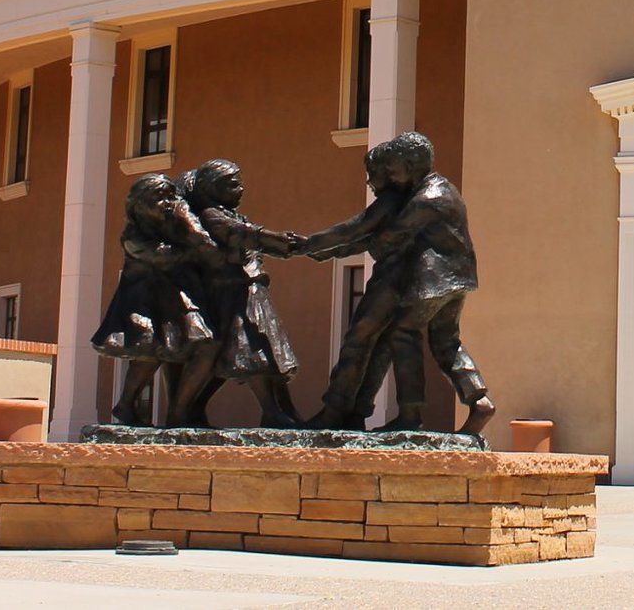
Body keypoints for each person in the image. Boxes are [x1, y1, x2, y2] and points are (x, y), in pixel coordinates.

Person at [299, 131, 494, 436]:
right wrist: (330, 251)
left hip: (433, 280)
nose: (388, 175)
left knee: (402, 334)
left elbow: (386, 238)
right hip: (456, 281)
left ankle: (410, 414)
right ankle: (479, 400)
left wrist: (315, 246)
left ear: (410, 164)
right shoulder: (443, 189)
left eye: (392, 168)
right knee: (445, 342)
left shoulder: (426, 199)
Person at [169, 159, 313, 428]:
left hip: (250, 290)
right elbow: (245, 235)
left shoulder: (227, 213)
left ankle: (281, 410)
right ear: (213, 187)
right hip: (232, 293)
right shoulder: (212, 215)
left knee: (261, 352)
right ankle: (271, 411)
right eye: (232, 184)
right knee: (253, 348)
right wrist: (282, 242)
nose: (241, 189)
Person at [90, 173, 218, 425]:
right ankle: (127, 404)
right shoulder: (133, 237)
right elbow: (168, 257)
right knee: (149, 355)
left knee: (203, 347)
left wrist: (188, 224)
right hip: (144, 306)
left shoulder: (172, 228)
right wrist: (191, 239)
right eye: (160, 198)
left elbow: (204, 246)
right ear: (140, 205)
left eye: (171, 197)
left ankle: (178, 410)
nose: (169, 203)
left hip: (172, 303)